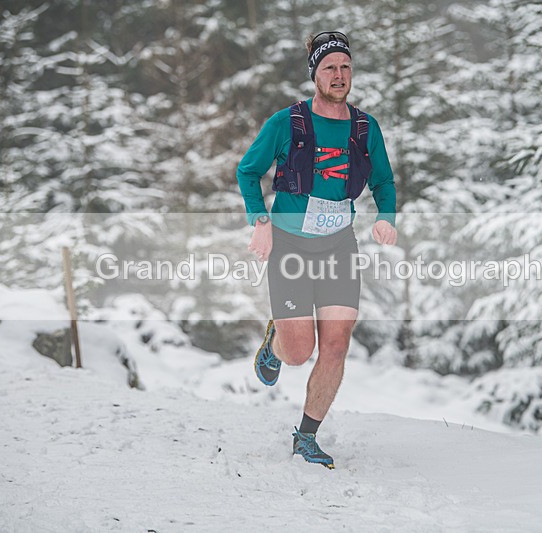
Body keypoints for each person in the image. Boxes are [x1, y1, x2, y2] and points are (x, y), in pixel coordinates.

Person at [236, 30, 397, 469]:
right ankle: (276, 344)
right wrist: (261, 221)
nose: (339, 75)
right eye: (330, 67)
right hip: (289, 244)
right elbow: (247, 172)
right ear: (315, 74)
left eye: (346, 67)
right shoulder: (287, 122)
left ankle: (306, 437)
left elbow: (383, 180)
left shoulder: (365, 127)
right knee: (300, 350)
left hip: (339, 246)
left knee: (337, 347)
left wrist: (387, 215)